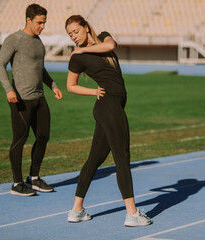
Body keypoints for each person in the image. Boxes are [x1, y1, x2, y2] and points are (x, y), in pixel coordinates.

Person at [65, 15, 152, 227]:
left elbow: (110, 45)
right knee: (122, 158)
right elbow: (71, 86)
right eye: (70, 35)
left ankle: (76, 210)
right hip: (109, 107)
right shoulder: (76, 58)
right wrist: (93, 90)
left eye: (76, 31)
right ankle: (132, 214)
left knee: (94, 159)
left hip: (111, 108)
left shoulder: (103, 39)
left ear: (86, 28)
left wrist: (84, 49)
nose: (74, 37)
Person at [0, 4, 63, 197]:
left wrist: (53, 85)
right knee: (20, 139)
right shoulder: (14, 39)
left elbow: (39, 69)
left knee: (43, 136)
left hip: (39, 97)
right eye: (39, 22)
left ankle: (33, 178)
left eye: (44, 22)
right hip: (20, 99)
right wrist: (9, 89)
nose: (43, 26)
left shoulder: (38, 41)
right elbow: (0, 64)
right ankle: (16, 183)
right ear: (28, 20)